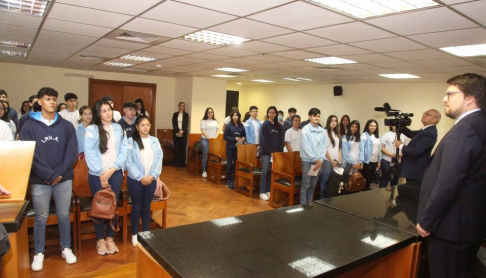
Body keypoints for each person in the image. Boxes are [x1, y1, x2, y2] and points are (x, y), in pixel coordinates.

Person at [416, 73, 486, 278]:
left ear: (470, 98)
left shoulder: (466, 129)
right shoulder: (481, 124)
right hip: (469, 225)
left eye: (450, 94)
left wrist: (427, 221)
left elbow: (448, 181)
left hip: (451, 228)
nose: (444, 99)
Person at [20, 87, 78, 271]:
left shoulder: (66, 125)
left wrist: (58, 174)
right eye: (47, 99)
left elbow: (72, 153)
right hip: (40, 181)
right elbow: (30, 154)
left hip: (63, 179)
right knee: (41, 217)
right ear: (39, 101)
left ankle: (66, 248)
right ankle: (39, 253)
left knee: (63, 215)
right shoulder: (29, 126)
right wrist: (49, 175)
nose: (52, 102)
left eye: (54, 99)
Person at [84, 99, 127, 256]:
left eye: (109, 109)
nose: (107, 113)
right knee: (100, 207)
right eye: (103, 110)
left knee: (112, 206)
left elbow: (124, 151)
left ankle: (110, 238)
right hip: (97, 175)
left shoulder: (119, 128)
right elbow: (89, 153)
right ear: (98, 113)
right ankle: (100, 240)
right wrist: (102, 174)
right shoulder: (92, 129)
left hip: (115, 173)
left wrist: (113, 169)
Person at [126, 115, 162, 247]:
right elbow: (128, 161)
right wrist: (141, 177)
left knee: (147, 207)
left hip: (151, 179)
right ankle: (135, 233)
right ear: (137, 127)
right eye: (142, 125)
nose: (145, 127)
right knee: (136, 207)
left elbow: (159, 159)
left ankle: (146, 233)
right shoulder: (130, 141)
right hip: (136, 180)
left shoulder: (155, 140)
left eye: (148, 124)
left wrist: (152, 176)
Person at [395, 109, 441, 187]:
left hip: (416, 170)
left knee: (413, 191)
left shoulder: (429, 133)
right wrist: (401, 126)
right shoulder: (426, 130)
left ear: (434, 119)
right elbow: (412, 134)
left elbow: (415, 151)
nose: (423, 115)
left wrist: (400, 146)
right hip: (414, 169)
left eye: (427, 114)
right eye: (424, 113)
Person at [300, 108, 327, 205]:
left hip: (319, 162)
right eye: (314, 116)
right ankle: (303, 204)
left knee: (313, 184)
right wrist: (316, 159)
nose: (316, 118)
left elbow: (324, 146)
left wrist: (321, 159)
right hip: (308, 161)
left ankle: (309, 202)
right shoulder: (305, 130)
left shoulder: (322, 131)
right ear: (309, 116)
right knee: (306, 184)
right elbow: (305, 147)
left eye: (318, 116)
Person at [259, 106, 284, 201]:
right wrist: (271, 152)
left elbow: (281, 140)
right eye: (270, 112)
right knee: (265, 171)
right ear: (268, 113)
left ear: (276, 114)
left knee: (271, 171)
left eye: (274, 112)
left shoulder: (279, 125)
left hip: (276, 153)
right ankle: (262, 191)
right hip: (266, 152)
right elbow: (264, 140)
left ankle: (268, 189)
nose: (272, 114)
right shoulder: (265, 125)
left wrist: (278, 151)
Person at [319, 115, 341, 199]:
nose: (334, 123)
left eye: (335, 121)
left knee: (334, 182)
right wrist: (331, 161)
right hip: (327, 161)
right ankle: (321, 200)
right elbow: (324, 148)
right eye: (332, 121)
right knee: (325, 181)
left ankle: (330, 200)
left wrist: (339, 161)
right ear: (328, 121)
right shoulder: (324, 132)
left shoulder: (337, 133)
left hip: (336, 162)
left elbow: (339, 148)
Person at [223, 110, 246, 189]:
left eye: (236, 115)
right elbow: (225, 137)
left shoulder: (241, 125)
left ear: (239, 116)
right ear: (231, 117)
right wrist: (234, 138)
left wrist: (243, 138)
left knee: (236, 164)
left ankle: (234, 180)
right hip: (230, 147)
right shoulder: (229, 125)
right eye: (233, 115)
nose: (235, 116)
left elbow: (244, 135)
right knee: (230, 164)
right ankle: (228, 180)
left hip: (238, 147)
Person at [360, 119, 381, 190]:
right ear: (368, 126)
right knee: (366, 177)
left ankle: (367, 190)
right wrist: (361, 161)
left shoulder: (378, 136)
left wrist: (379, 160)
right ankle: (363, 192)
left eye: (375, 126)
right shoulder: (364, 135)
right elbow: (361, 149)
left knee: (371, 178)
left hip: (375, 160)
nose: (373, 127)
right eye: (371, 125)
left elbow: (379, 149)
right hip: (367, 161)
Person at [341, 120, 363, 186]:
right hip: (348, 163)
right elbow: (345, 152)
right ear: (349, 127)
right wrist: (352, 162)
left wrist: (360, 161)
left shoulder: (359, 138)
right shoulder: (345, 138)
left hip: (357, 163)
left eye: (356, 127)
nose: (354, 129)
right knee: (346, 182)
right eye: (352, 126)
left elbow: (361, 150)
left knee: (355, 182)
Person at [200, 107, 219, 178]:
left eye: (211, 112)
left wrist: (215, 138)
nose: (210, 113)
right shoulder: (204, 121)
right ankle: (204, 171)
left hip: (214, 140)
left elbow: (218, 131)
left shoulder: (215, 121)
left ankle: (212, 171)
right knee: (206, 155)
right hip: (205, 139)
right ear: (206, 113)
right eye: (209, 112)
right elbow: (203, 131)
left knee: (214, 155)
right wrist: (209, 138)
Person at [172, 102, 189, 168]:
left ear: (184, 107)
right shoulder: (175, 114)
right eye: (180, 106)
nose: (181, 107)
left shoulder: (186, 115)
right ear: (178, 106)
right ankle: (176, 163)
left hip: (184, 133)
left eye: (183, 106)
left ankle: (182, 163)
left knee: (183, 148)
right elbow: (174, 124)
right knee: (177, 148)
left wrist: (182, 131)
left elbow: (186, 124)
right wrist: (179, 130)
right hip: (176, 132)